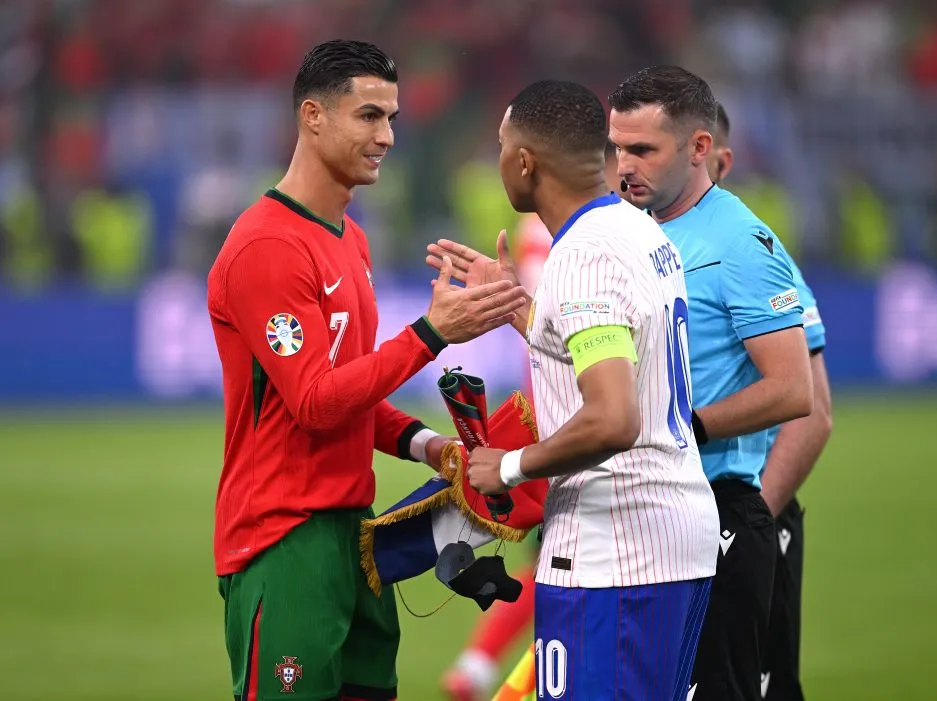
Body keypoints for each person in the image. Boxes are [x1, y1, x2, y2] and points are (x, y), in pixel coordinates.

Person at [207, 39, 528, 701]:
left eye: (392, 119)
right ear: (312, 117)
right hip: (284, 538)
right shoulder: (268, 247)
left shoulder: (349, 238)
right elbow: (318, 402)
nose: (386, 136)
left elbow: (356, 390)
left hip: (355, 534)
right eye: (369, 116)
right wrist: (433, 333)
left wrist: (431, 447)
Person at [428, 79, 719, 701]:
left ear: (525, 162)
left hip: (616, 555)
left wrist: (505, 466)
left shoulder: (582, 257)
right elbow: (613, 350)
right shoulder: (636, 229)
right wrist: (521, 310)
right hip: (669, 541)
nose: (499, 157)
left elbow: (614, 417)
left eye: (503, 146)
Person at [608, 65, 814, 701]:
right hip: (641, 510)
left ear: (700, 148)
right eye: (616, 147)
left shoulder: (741, 243)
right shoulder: (628, 228)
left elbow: (793, 391)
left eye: (643, 149)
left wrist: (682, 428)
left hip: (715, 511)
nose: (624, 165)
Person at [440, 144, 623, 701]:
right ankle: (490, 671)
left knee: (554, 557)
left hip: (546, 393)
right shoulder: (608, 230)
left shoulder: (534, 226)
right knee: (566, 563)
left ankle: (479, 663)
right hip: (585, 400)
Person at [709, 102, 834, 701]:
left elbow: (813, 413)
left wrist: (748, 521)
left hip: (744, 515)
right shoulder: (644, 254)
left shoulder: (754, 253)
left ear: (717, 159)